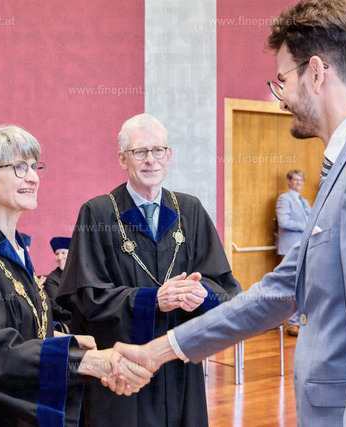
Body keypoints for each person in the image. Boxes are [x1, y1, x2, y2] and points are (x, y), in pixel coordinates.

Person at [109, 1, 346, 425]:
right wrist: (158, 350)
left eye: (282, 80)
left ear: (316, 73)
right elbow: (281, 291)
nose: (281, 99)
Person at [0, 124, 152, 426]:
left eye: (34, 167)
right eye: (19, 167)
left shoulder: (16, 246)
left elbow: (19, 324)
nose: (33, 177)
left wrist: (64, 339)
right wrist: (84, 361)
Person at [57, 113, 241, 426]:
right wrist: (153, 300)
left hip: (179, 362)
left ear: (169, 155)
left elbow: (224, 286)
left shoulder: (190, 210)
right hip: (122, 366)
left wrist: (201, 294)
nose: (150, 160)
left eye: (158, 150)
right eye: (139, 151)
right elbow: (86, 298)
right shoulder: (98, 213)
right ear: (122, 159)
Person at [276, 169, 311, 336]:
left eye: (301, 180)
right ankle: (291, 323)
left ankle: (298, 322)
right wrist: (306, 227)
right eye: (295, 180)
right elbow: (283, 221)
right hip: (290, 248)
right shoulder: (284, 198)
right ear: (289, 181)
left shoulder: (304, 201)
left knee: (302, 284)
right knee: (292, 285)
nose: (298, 183)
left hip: (305, 247)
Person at [44, 236, 73, 331]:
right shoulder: (51, 279)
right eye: (57, 254)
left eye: (63, 253)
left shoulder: (80, 274)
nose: (60, 257)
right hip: (68, 323)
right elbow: (58, 308)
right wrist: (81, 311)